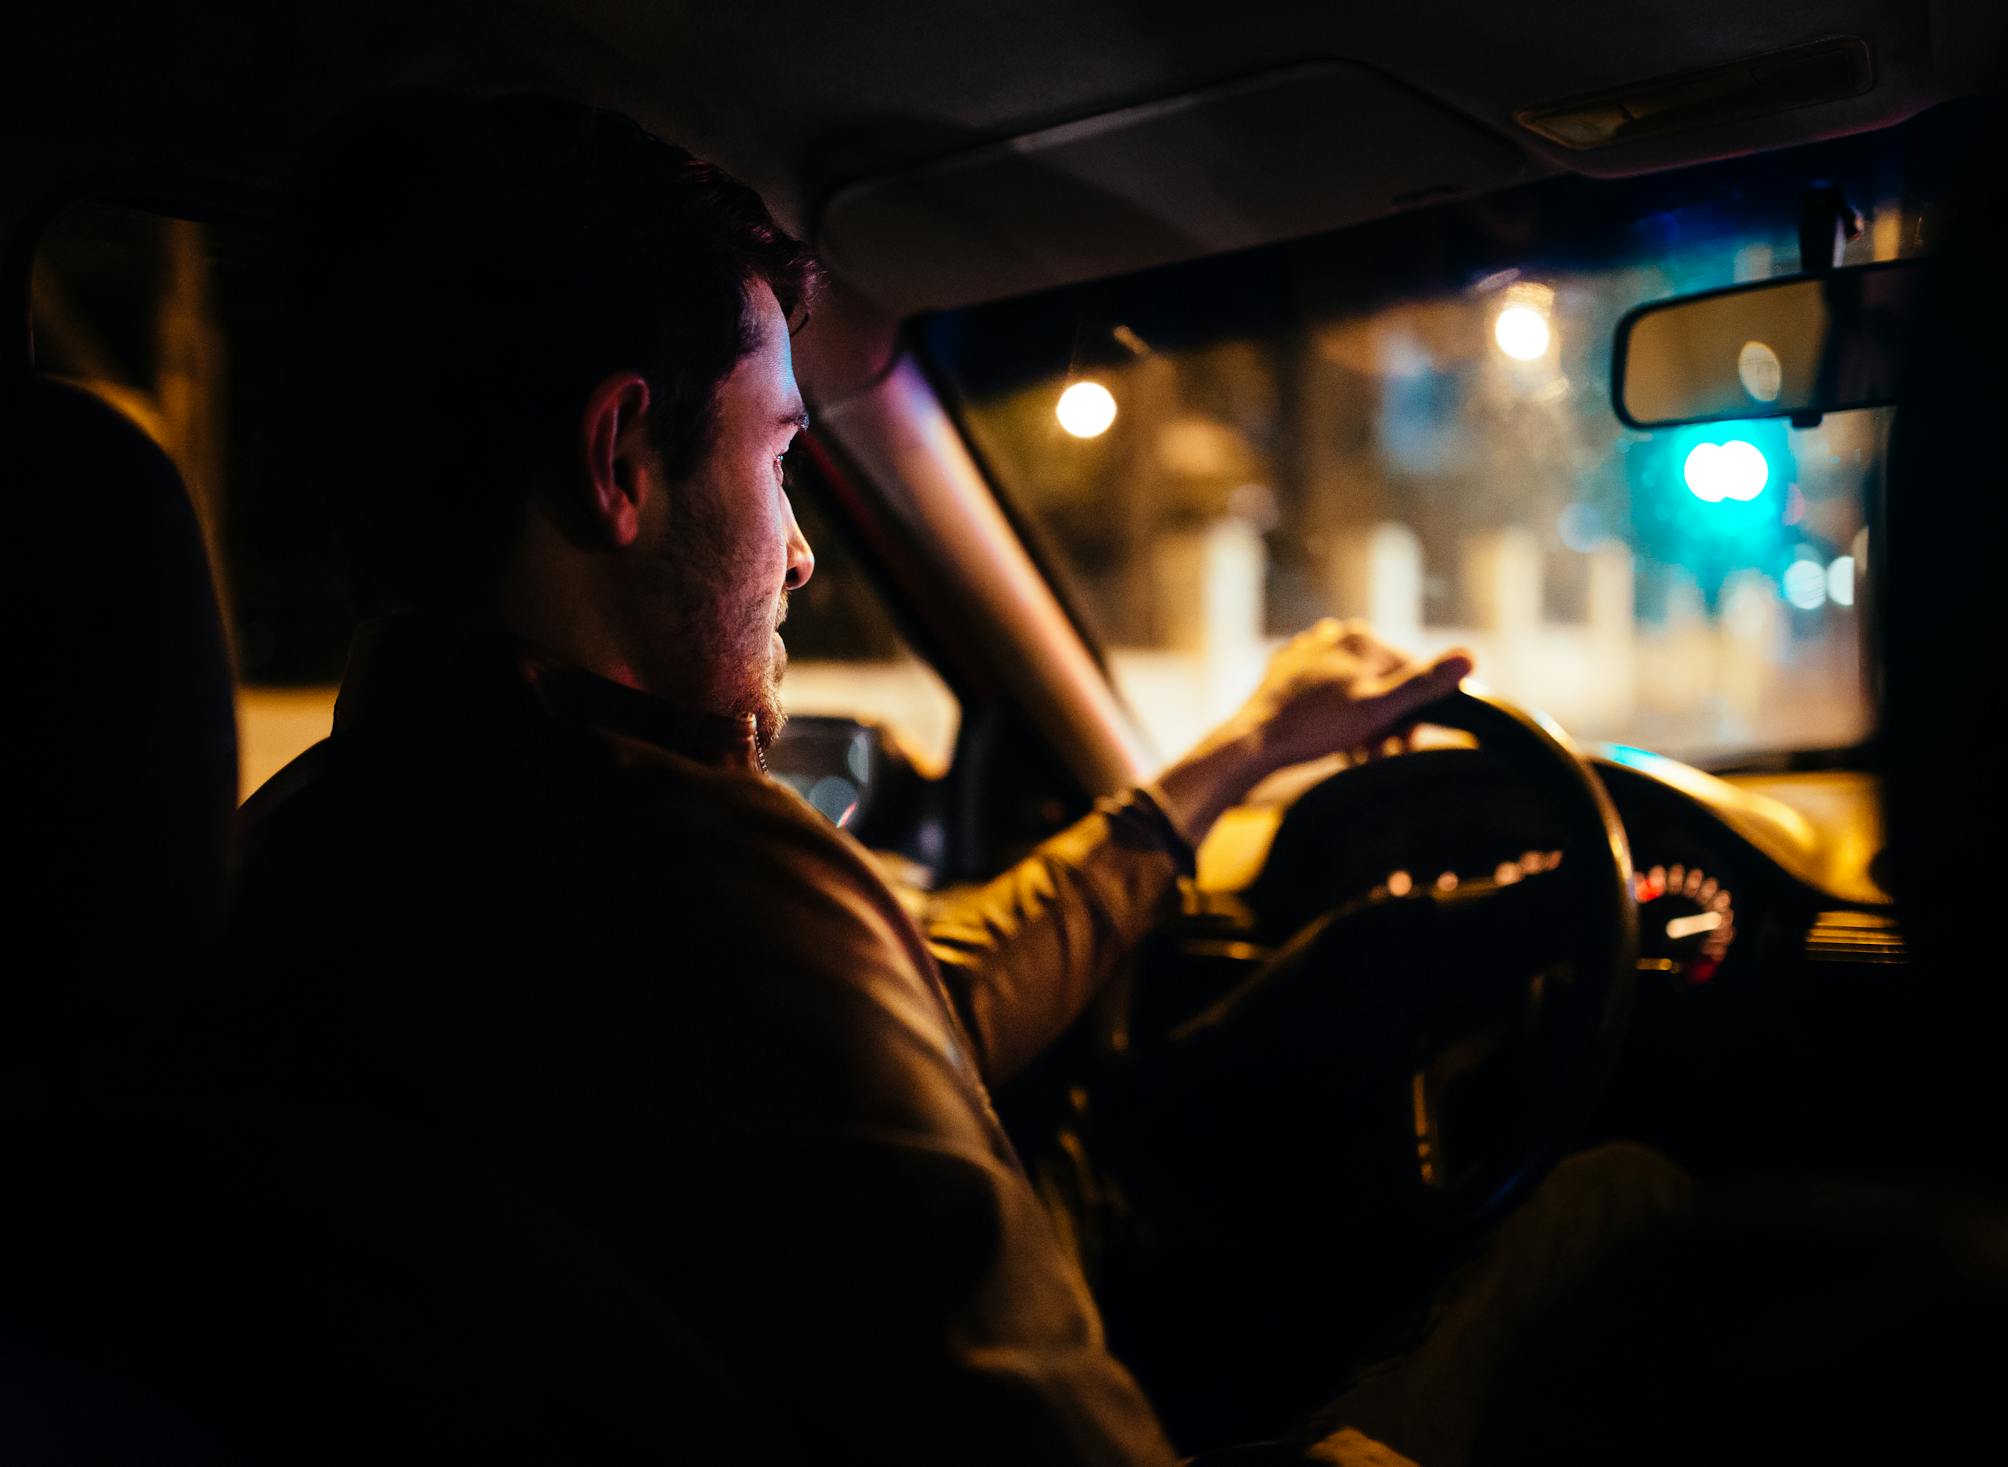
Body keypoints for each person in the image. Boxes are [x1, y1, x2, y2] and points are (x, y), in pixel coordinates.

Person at [179, 92, 1675, 1464]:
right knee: (1615, 1222)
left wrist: (1224, 766)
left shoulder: (278, 876)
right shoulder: (704, 883)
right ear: (620, 459)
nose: (806, 548)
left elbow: (919, 1016)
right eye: (777, 460)